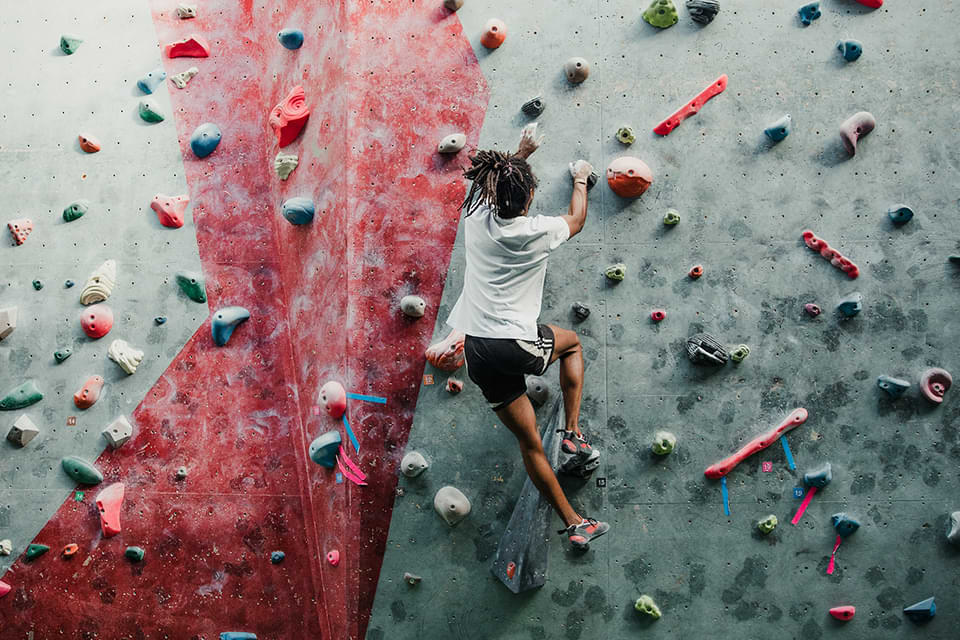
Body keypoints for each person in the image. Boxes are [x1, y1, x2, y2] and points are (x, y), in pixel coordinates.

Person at [445, 125, 610, 551]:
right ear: (530, 199)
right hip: (513, 343)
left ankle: (576, 523)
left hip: (478, 349)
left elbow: (486, 182)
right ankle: (572, 432)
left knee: (529, 441)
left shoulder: (476, 218)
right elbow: (576, 219)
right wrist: (580, 178)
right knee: (571, 343)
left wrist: (521, 151)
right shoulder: (537, 230)